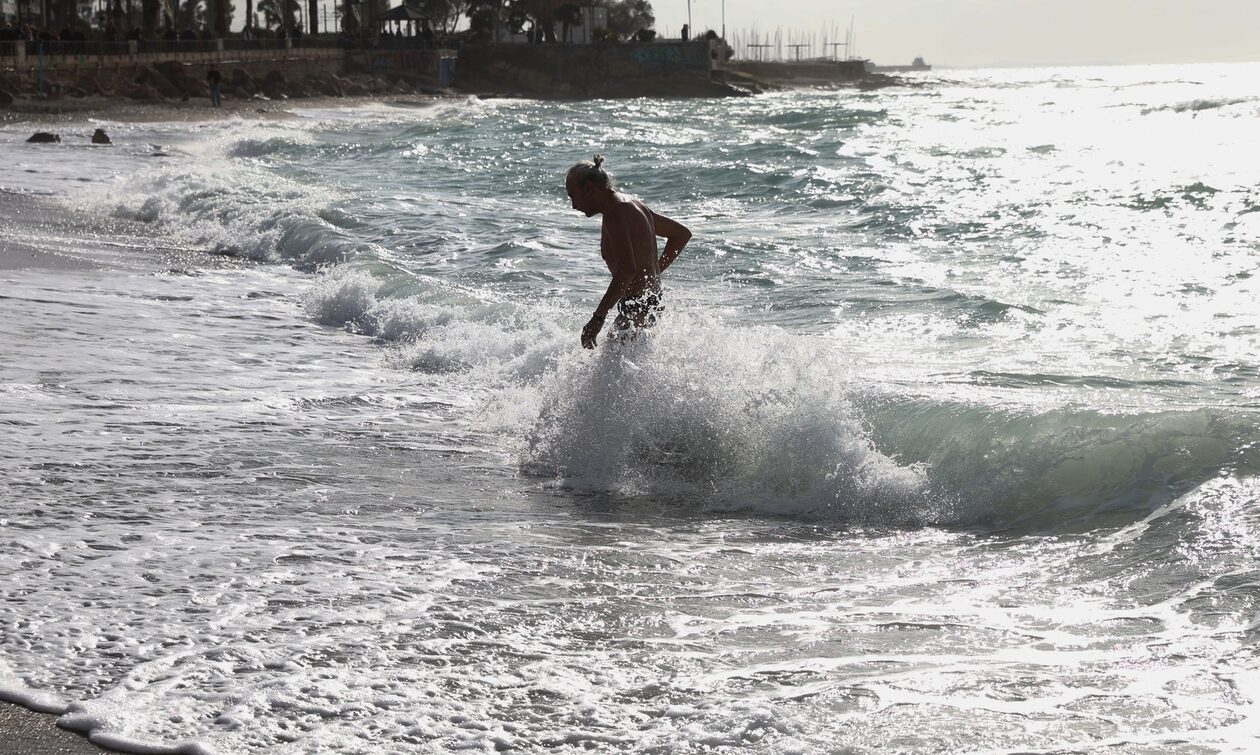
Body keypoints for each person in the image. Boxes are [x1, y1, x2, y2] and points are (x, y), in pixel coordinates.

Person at [564, 155, 691, 349]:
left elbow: (627, 271)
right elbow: (680, 235)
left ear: (588, 187)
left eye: (572, 195)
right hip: (646, 305)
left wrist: (598, 318)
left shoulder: (617, 211)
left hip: (638, 310)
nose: (574, 205)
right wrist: (653, 272)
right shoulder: (630, 204)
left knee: (607, 375)